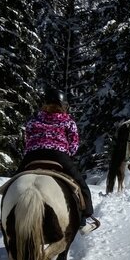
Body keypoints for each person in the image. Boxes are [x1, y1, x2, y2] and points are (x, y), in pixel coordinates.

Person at [17, 87, 96, 232]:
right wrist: (67, 154)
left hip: (33, 155)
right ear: (63, 105)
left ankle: (4, 217)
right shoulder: (68, 122)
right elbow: (73, 146)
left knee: (15, 180)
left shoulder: (33, 120)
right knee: (80, 184)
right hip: (58, 155)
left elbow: (26, 140)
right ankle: (86, 217)